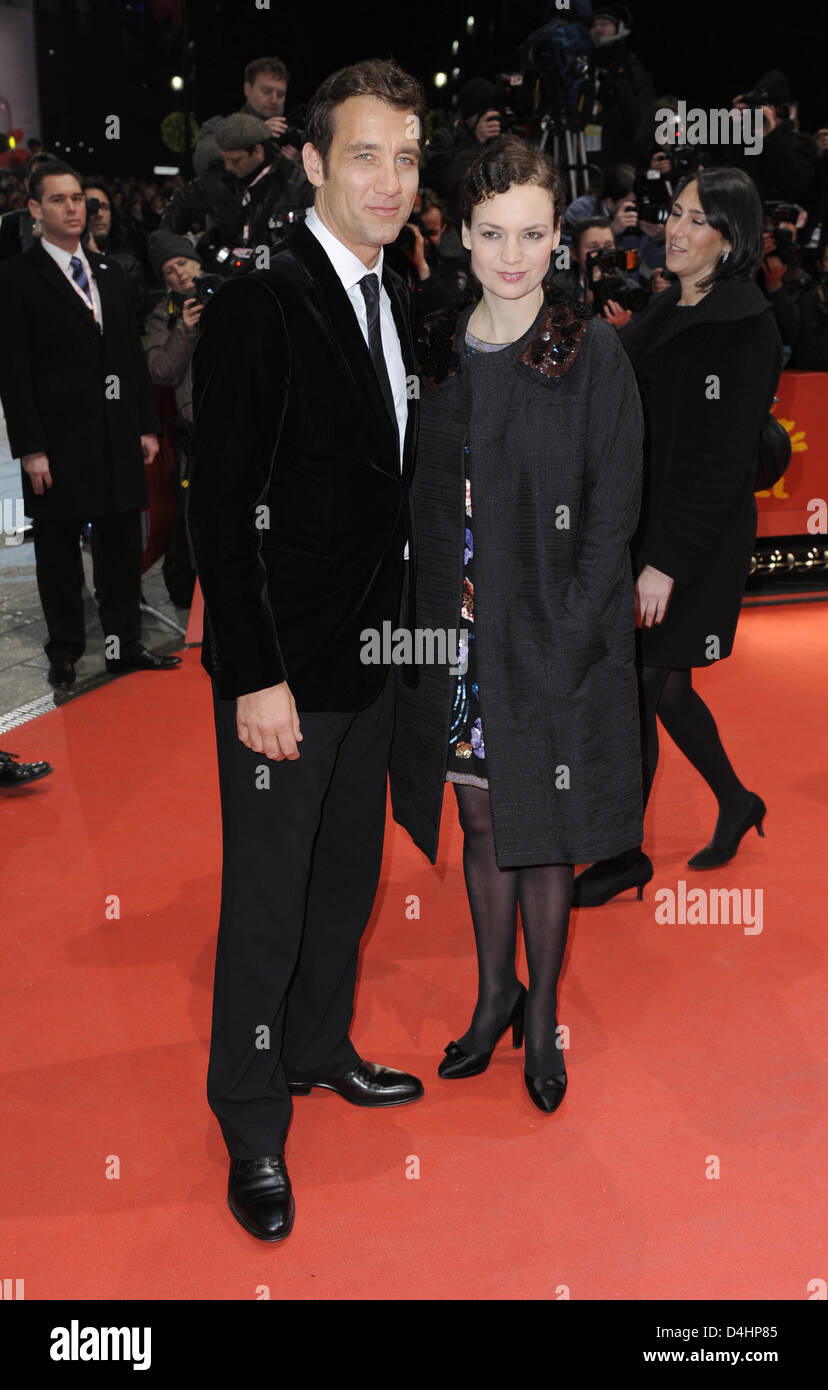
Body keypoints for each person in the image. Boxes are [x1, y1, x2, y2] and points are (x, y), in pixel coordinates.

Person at [186, 57, 426, 1244]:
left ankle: (322, 1046)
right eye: (368, 154)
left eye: (409, 156)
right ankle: (250, 1118)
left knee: (346, 881)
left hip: (374, 658)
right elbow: (219, 510)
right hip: (287, 672)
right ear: (317, 162)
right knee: (268, 900)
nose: (391, 179)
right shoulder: (262, 302)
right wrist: (256, 673)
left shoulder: (398, 300)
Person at [390, 135, 645, 1114]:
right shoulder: (444, 345)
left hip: (550, 641)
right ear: (459, 232)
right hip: (455, 638)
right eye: (492, 232)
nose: (511, 254)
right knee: (480, 817)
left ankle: (541, 1022)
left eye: (532, 233)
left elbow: (612, 514)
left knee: (541, 832)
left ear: (558, 235)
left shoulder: (589, 352)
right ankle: (495, 993)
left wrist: (566, 637)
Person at [573, 167, 783, 907]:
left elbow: (720, 464)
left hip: (693, 543)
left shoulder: (746, 324)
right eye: (676, 214)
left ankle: (620, 853)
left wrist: (664, 563)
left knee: (638, 686)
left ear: (731, 240)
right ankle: (733, 799)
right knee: (662, 687)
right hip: (648, 532)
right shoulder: (669, 306)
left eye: (697, 220)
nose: (676, 229)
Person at [0, 162, 180, 691]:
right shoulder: (15, 278)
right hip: (56, 443)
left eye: (79, 198)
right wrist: (31, 449)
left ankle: (125, 645)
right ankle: (65, 651)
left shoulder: (110, 274)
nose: (73, 208)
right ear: (35, 210)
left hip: (117, 434)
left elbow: (128, 356)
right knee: (58, 556)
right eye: (58, 200)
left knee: (122, 548)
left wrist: (147, 426)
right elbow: (14, 373)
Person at [144, 231, 205, 607]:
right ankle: (188, 593)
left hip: (242, 427)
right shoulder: (162, 316)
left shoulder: (231, 291)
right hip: (193, 433)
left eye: (182, 263)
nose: (179, 274)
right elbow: (161, 371)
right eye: (169, 270)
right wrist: (185, 329)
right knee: (191, 516)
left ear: (197, 261)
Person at [161, 114, 312, 265]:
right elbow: (178, 207)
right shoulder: (217, 179)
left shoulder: (296, 183)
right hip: (228, 277)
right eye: (224, 159)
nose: (228, 167)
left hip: (278, 277)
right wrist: (173, 253)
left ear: (258, 151)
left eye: (235, 160)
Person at [193, 54, 302, 176]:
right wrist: (255, 133)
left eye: (281, 94)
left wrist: (299, 164)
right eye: (267, 91)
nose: (274, 99)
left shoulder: (292, 134)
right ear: (247, 88)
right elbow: (203, 160)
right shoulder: (218, 125)